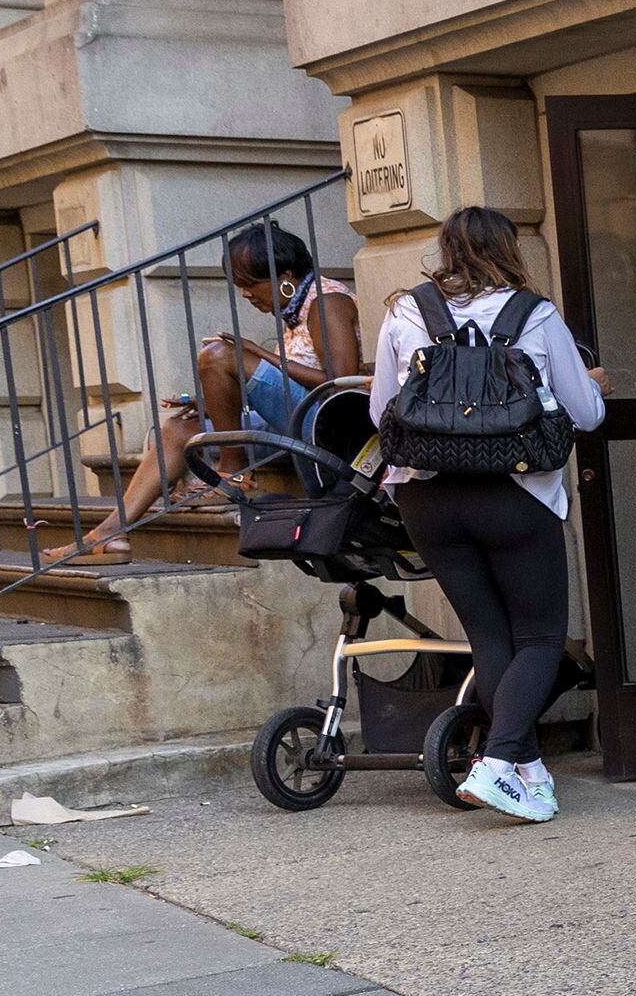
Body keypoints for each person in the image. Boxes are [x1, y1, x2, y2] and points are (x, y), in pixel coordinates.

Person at [366, 204, 606, 822]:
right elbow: (585, 415)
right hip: (515, 493)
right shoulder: (535, 314)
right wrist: (592, 383)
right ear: (510, 249)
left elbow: (380, 414)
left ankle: (524, 773)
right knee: (539, 637)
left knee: (490, 638)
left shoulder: (405, 310)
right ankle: (498, 762)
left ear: (446, 250)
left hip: (425, 496)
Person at [67, 221, 362, 557]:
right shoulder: (295, 310)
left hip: (327, 425)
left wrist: (258, 353)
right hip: (292, 422)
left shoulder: (327, 301)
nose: (246, 294)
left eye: (251, 284)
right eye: (240, 286)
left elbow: (340, 380)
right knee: (180, 429)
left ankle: (232, 472)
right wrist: (220, 403)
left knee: (218, 356)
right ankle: (111, 533)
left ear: (286, 276)